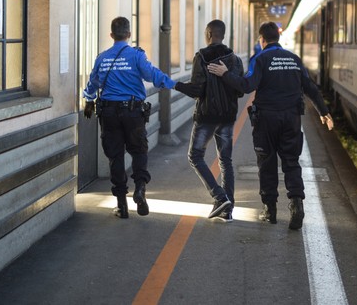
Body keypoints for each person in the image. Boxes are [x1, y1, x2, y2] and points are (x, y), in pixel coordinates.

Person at [208, 22, 333, 230]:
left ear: (262, 40)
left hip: (266, 120)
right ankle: (296, 205)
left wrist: (225, 74)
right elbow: (310, 87)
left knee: (267, 164)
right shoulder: (294, 59)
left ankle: (270, 211)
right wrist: (324, 112)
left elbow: (247, 85)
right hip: (291, 118)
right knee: (291, 162)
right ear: (278, 38)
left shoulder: (261, 59)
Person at [83, 16, 176, 219]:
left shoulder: (102, 57)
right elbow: (152, 75)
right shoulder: (136, 56)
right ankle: (140, 188)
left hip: (108, 114)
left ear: (111, 35)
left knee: (115, 156)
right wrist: (174, 84)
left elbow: (92, 84)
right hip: (133, 113)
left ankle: (121, 205)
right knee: (139, 150)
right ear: (129, 34)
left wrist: (88, 100)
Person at [174, 20, 244, 221]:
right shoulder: (235, 60)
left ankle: (219, 196)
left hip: (206, 117)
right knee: (226, 161)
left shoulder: (202, 57)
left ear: (209, 33)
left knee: (195, 156)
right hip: (228, 117)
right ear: (223, 34)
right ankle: (227, 210)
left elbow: (197, 90)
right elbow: (240, 90)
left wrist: (177, 85)